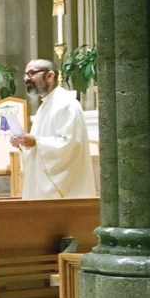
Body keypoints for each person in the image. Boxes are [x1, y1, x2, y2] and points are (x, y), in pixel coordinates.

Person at [11, 59, 95, 198]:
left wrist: (36, 141)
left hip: (64, 190)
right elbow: (38, 145)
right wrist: (23, 143)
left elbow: (71, 144)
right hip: (41, 186)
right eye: (25, 74)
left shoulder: (66, 104)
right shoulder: (45, 106)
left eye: (32, 73)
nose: (26, 78)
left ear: (50, 76)